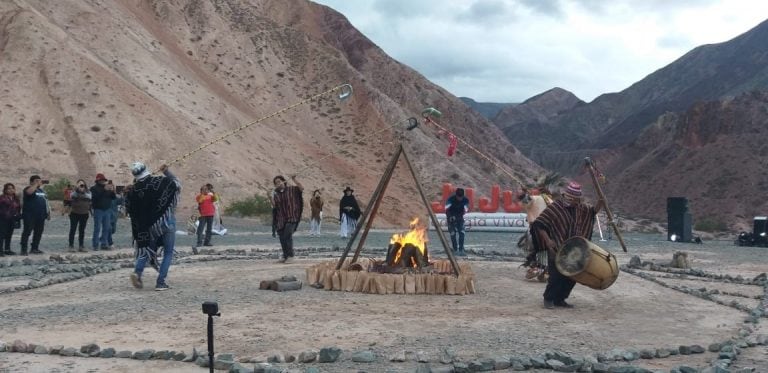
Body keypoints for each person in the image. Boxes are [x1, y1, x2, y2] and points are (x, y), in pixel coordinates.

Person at [531, 181, 603, 309]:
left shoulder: (580, 208)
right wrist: (548, 241)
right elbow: (540, 224)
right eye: (576, 199)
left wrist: (601, 202)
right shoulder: (556, 207)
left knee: (572, 276)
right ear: (570, 197)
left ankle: (560, 299)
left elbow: (592, 212)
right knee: (556, 276)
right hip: (557, 247)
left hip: (574, 249)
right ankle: (548, 299)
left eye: (578, 199)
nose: (577, 202)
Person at [128, 162, 181, 291]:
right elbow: (176, 184)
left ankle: (138, 272)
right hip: (167, 221)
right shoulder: (159, 181)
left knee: (147, 249)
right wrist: (166, 171)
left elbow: (133, 211)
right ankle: (160, 282)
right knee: (168, 252)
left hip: (148, 226)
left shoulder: (134, 189)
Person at [272, 175, 303, 263]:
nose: (278, 184)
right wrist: (269, 197)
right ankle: (285, 256)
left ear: (284, 181)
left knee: (287, 235)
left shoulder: (292, 189)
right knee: (282, 237)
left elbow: (301, 188)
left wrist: (294, 179)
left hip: (292, 216)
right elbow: (275, 206)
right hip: (281, 218)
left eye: (279, 181)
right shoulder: (276, 194)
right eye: (276, 183)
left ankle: (291, 256)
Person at [20, 175, 50, 255]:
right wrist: (36, 184)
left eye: (39, 180)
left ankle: (34, 248)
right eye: (36, 180)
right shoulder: (28, 189)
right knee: (27, 232)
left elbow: (46, 202)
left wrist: (48, 212)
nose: (38, 182)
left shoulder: (41, 191)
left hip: (41, 216)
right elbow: (29, 193)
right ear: (31, 182)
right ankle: (23, 249)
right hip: (30, 215)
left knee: (38, 232)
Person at [90, 173, 115, 250]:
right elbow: (95, 198)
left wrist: (112, 191)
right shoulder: (93, 188)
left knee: (106, 228)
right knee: (97, 228)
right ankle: (95, 244)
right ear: (98, 180)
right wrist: (104, 190)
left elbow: (113, 198)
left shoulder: (107, 188)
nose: (103, 181)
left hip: (107, 210)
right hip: (98, 210)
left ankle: (104, 244)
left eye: (104, 180)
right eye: (102, 180)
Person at [68, 179, 92, 252]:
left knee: (82, 230)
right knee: (73, 229)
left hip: (84, 213)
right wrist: (77, 190)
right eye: (80, 185)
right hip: (74, 213)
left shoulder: (88, 192)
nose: (81, 186)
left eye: (83, 185)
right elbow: (71, 195)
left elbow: (89, 197)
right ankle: (71, 245)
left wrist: (83, 192)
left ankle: (81, 245)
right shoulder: (74, 192)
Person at [445, 187, 469, 256]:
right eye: (458, 197)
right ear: (456, 195)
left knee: (462, 232)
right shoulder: (450, 199)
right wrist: (450, 217)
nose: (460, 199)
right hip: (450, 217)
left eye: (461, 197)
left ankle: (461, 249)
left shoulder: (466, 200)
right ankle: (455, 250)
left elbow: (465, 210)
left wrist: (457, 217)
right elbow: (446, 210)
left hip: (460, 217)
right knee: (453, 233)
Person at [194, 184, 217, 253]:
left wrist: (213, 193)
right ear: (201, 190)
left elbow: (216, 199)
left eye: (207, 189)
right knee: (200, 228)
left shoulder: (210, 196)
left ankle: (207, 242)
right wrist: (202, 194)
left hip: (210, 214)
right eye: (204, 189)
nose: (206, 190)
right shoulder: (199, 196)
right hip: (203, 215)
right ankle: (199, 242)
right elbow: (200, 201)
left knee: (209, 229)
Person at [0, 183, 21, 256]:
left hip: (12, 219)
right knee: (1, 235)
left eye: (12, 188)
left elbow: (18, 208)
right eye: (9, 188)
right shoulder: (2, 198)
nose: (11, 190)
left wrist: (18, 216)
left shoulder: (16, 198)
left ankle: (7, 249)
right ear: (5, 190)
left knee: (9, 234)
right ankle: (0, 251)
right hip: (3, 219)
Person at [108, 181, 124, 248]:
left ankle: (104, 237)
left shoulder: (115, 197)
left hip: (114, 215)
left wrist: (122, 196)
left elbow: (120, 202)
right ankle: (110, 243)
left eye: (112, 187)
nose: (111, 188)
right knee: (109, 229)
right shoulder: (105, 196)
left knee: (113, 230)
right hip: (107, 215)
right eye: (109, 187)